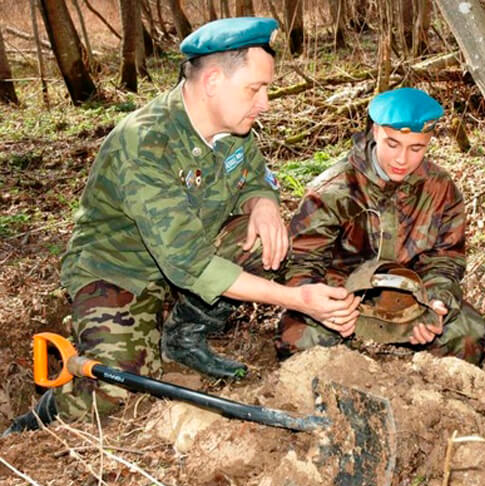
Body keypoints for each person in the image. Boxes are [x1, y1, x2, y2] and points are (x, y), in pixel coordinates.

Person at [4, 17, 359, 435]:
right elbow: (191, 266)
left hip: (186, 255)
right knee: (117, 389)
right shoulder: (145, 144)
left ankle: (182, 334)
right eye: (255, 89)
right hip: (119, 272)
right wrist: (296, 299)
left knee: (273, 238)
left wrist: (263, 203)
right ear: (212, 81)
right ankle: (42, 413)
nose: (265, 102)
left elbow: (258, 175)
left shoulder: (234, 128)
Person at [277, 87, 485, 364]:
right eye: (392, 144)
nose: (402, 159)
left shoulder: (440, 187)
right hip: (342, 303)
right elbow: (302, 265)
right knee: (302, 345)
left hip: (411, 306)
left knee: (468, 335)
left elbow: (446, 259)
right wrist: (327, 308)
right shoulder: (332, 189)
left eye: (416, 148)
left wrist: (435, 304)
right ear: (375, 132)